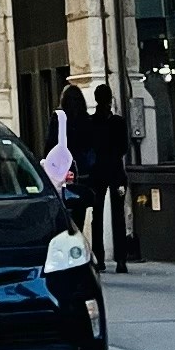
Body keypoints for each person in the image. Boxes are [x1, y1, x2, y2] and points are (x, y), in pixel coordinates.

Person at [60, 77, 132, 274]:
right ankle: (121, 259)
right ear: (110, 100)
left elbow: (87, 147)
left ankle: (100, 259)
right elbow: (124, 147)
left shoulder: (91, 122)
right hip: (116, 172)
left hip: (97, 174)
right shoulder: (117, 122)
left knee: (97, 215)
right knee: (118, 215)